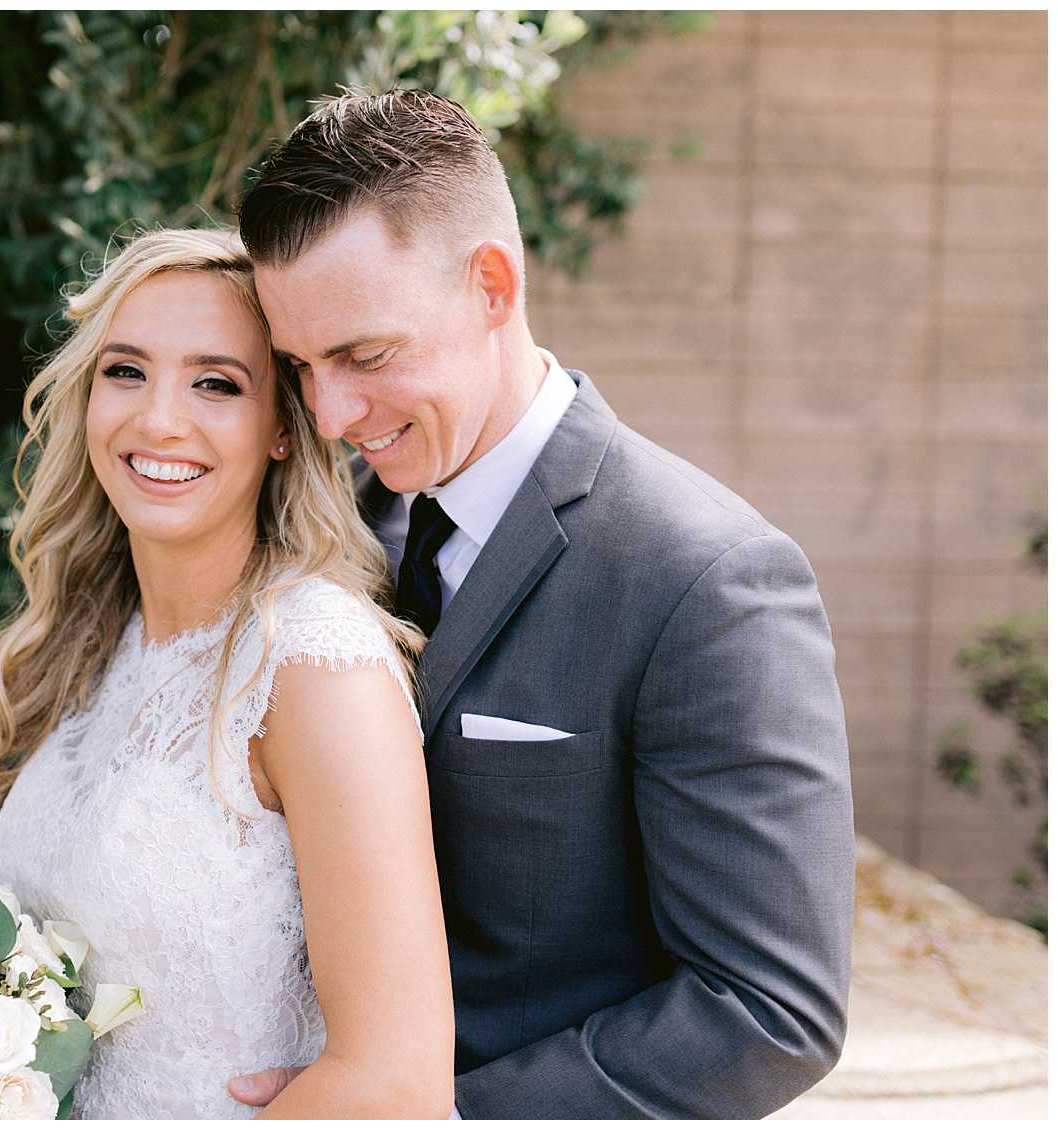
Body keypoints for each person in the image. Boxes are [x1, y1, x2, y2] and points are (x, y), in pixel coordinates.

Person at [226, 89, 856, 1119]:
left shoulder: (709, 578)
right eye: (301, 366)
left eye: (365, 355)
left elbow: (766, 1007)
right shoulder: (322, 528)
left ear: (490, 286)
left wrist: (425, 1113)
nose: (332, 414)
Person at [0, 228, 454, 1118]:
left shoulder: (314, 661)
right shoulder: (92, 646)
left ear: (282, 432)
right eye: (125, 371)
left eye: (216, 384)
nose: (159, 419)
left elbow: (395, 1082)